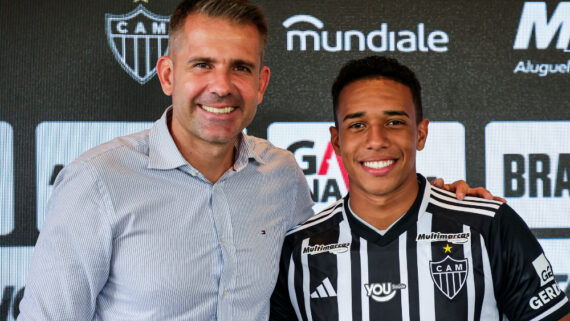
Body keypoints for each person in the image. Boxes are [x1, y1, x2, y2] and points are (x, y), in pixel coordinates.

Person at [18, 1, 498, 320]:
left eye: (240, 68)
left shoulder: (282, 173)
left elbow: (336, 257)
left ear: (261, 83)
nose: (221, 85)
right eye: (202, 64)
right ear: (167, 75)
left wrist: (436, 200)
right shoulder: (99, 181)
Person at [269, 56, 570, 321]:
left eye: (394, 122)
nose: (376, 140)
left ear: (421, 133)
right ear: (336, 141)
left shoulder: (488, 226)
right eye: (357, 125)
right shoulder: (299, 249)